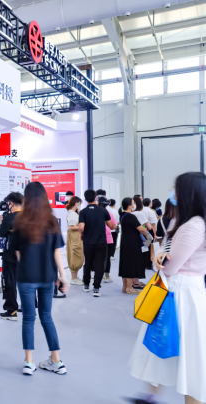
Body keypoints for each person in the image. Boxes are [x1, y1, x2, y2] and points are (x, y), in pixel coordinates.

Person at [129, 172, 206, 404]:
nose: (173, 193)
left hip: (181, 293)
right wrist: (160, 256)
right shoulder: (183, 221)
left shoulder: (193, 226)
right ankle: (152, 396)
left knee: (189, 358)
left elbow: (170, 266)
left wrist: (158, 259)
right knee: (162, 345)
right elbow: (165, 252)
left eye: (177, 188)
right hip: (173, 290)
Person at [9, 182, 68, 376]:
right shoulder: (51, 221)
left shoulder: (20, 221)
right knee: (46, 317)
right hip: (47, 276)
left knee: (28, 318)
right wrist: (63, 276)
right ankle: (56, 361)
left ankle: (29, 362)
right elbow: (57, 251)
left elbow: (18, 253)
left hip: (26, 276)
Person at [78, 189, 115, 297]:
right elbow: (111, 225)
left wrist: (82, 234)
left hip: (88, 242)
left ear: (85, 199)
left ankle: (86, 285)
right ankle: (96, 288)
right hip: (101, 242)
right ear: (96, 198)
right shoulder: (103, 211)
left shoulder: (83, 212)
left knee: (88, 262)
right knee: (99, 264)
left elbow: (81, 227)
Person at [0, 192, 23, 320]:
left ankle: (11, 311)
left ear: (11, 203)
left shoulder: (9, 218)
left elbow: (1, 233)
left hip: (11, 254)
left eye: (8, 203)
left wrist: (2, 223)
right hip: (27, 254)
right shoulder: (29, 216)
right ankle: (30, 306)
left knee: (10, 281)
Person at [118, 198, 150, 294]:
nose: (134, 204)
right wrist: (147, 236)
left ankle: (125, 287)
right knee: (131, 264)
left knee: (125, 263)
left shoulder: (122, 215)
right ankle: (129, 288)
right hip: (132, 243)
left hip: (125, 242)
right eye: (133, 203)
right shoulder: (130, 216)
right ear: (129, 206)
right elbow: (141, 229)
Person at [132, 196, 152, 288]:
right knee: (139, 260)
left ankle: (133, 281)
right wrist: (144, 229)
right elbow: (149, 227)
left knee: (132, 260)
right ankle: (136, 282)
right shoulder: (140, 214)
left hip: (130, 239)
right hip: (140, 240)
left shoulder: (129, 214)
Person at [65, 196, 84, 286]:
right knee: (75, 255)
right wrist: (81, 227)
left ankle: (75, 277)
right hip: (75, 237)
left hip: (77, 237)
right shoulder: (71, 213)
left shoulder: (74, 213)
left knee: (78, 254)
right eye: (80, 203)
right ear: (76, 203)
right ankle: (73, 278)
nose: (80, 205)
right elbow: (71, 227)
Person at [98, 196, 116, 283]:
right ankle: (106, 276)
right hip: (107, 238)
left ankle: (95, 274)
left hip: (95, 238)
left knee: (96, 256)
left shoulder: (92, 213)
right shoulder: (109, 213)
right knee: (107, 257)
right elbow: (113, 226)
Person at [143, 198, 158, 269]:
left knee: (143, 246)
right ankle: (148, 264)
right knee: (149, 247)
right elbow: (153, 224)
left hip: (141, 230)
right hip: (150, 231)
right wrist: (155, 234)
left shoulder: (140, 211)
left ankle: (142, 263)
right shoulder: (151, 212)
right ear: (150, 204)